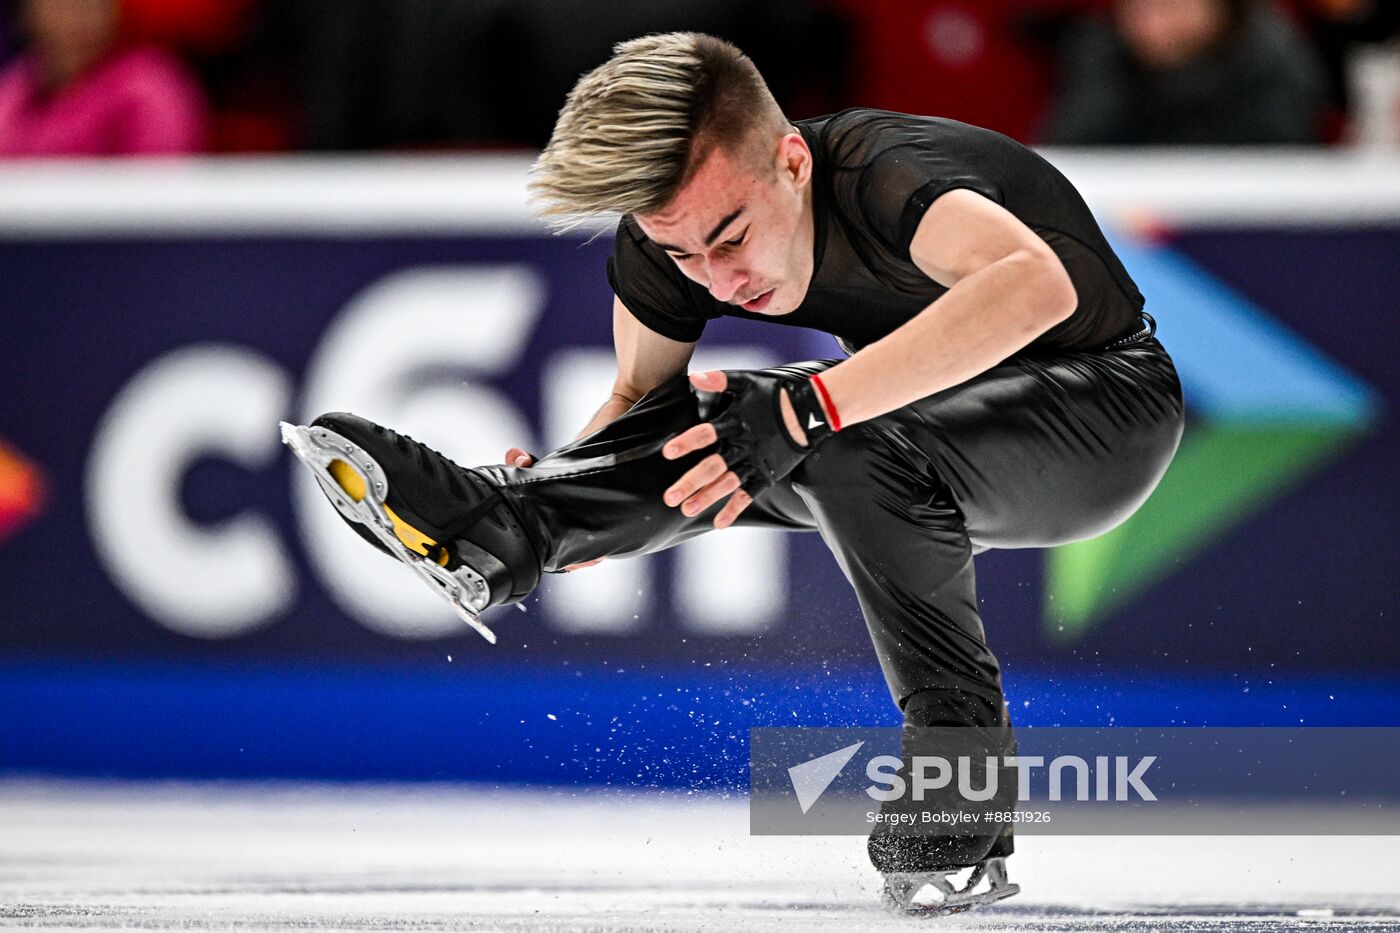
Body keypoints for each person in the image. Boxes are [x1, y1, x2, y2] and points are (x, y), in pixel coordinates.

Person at [285, 33, 1184, 911]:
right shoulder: (670, 236)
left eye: (731, 235)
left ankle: (964, 773)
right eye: (682, 254)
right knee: (761, 422)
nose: (717, 278)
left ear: (793, 161)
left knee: (813, 423)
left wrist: (811, 409)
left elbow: (1037, 287)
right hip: (918, 431)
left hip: (1106, 412)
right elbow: (644, 398)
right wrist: (579, 492)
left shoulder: (890, 176)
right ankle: (514, 528)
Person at [1041, 0, 1327, 145]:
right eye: (1141, 7)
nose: (1154, 21)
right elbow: (1075, 150)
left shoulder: (1269, 59)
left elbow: (1280, 155)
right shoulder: (1103, 55)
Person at [0, 0, 205, 157]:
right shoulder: (15, 86)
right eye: (63, 4)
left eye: (92, 5)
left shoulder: (150, 91)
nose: (78, 18)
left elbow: (159, 197)